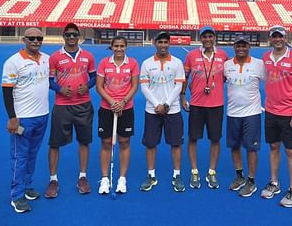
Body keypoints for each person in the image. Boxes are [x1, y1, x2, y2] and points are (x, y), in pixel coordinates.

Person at [44, 23, 96, 198]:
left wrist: (87, 86)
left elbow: (94, 77)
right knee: (54, 143)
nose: (72, 38)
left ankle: (82, 177)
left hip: (83, 105)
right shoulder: (55, 57)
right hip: (62, 105)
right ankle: (53, 180)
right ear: (63, 36)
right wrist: (59, 89)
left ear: (79, 36)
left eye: (74, 35)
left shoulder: (88, 56)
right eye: (68, 35)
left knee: (84, 141)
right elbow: (50, 81)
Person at [2, 27, 50, 213]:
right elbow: (6, 91)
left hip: (42, 115)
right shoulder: (13, 62)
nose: (36, 41)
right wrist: (12, 118)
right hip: (23, 119)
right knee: (20, 158)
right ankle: (17, 195)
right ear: (24, 39)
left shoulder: (46, 59)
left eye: (39, 38)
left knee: (32, 154)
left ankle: (27, 185)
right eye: (32, 38)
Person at [260, 25, 292, 207]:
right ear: (270, 39)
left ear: (285, 38)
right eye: (274, 36)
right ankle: (274, 183)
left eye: (280, 36)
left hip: (290, 113)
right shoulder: (266, 58)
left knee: (290, 151)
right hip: (271, 111)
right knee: (273, 147)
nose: (277, 39)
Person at [180, 25, 228, 189]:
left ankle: (211, 171)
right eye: (204, 36)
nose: (208, 39)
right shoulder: (192, 56)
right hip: (197, 104)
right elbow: (184, 78)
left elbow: (228, 76)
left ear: (214, 38)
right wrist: (182, 96)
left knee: (215, 139)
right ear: (200, 38)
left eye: (210, 36)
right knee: (193, 138)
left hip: (216, 104)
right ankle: (194, 170)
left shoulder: (222, 55)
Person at [139, 31, 186, 192]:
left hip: (172, 110)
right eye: (160, 42)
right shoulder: (146, 63)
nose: (163, 45)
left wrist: (166, 104)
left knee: (176, 143)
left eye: (166, 42)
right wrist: (157, 104)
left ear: (169, 44)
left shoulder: (177, 63)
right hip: (152, 111)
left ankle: (177, 175)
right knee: (151, 144)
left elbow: (178, 86)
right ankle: (151, 175)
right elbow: (144, 87)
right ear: (154, 43)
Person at [96, 36, 139, 195]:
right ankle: (105, 178)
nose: (119, 49)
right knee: (106, 142)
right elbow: (99, 87)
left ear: (126, 47)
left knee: (124, 141)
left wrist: (123, 102)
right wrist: (112, 102)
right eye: (116, 46)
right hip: (107, 108)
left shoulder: (133, 63)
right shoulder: (104, 63)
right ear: (112, 47)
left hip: (126, 108)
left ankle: (122, 178)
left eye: (122, 46)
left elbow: (134, 86)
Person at [224, 36, 265, 197]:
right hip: (232, 113)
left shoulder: (258, 64)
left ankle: (251, 181)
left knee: (251, 147)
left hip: (252, 113)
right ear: (234, 47)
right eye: (238, 45)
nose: (241, 48)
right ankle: (239, 176)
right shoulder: (227, 65)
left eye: (244, 45)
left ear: (249, 47)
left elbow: (271, 82)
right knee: (234, 146)